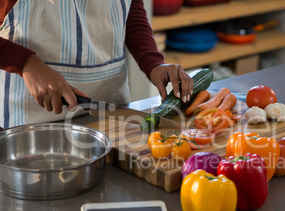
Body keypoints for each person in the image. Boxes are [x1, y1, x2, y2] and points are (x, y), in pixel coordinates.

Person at [0, 0, 194, 129]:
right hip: (31, 126)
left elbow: (130, 7)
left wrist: (153, 62)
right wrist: (26, 63)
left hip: (111, 116)